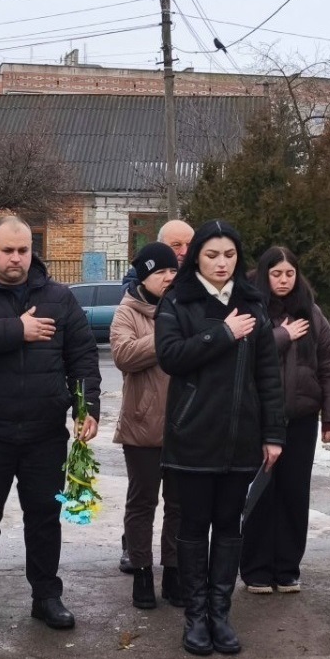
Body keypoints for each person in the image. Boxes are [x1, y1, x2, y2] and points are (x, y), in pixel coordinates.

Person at [0, 215, 99, 639]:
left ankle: (46, 596)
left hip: (45, 432)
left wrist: (87, 408)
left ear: (32, 250)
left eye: (23, 250)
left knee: (45, 517)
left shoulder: (59, 297)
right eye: (7, 250)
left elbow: (82, 357)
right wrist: (18, 330)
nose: (16, 258)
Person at [156, 220, 284, 656]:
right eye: (212, 255)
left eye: (229, 255)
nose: (221, 263)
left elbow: (268, 375)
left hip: (241, 439)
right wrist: (222, 333)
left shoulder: (253, 303)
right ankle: (195, 617)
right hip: (192, 437)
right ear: (196, 257)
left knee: (229, 527)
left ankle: (220, 614)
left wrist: (273, 434)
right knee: (193, 527)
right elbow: (170, 356)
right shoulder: (178, 300)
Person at [243, 246, 330, 595]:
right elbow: (244, 354)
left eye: (290, 274)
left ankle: (287, 568)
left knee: (294, 493)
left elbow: (329, 365)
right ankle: (255, 569)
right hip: (259, 419)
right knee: (261, 494)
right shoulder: (251, 309)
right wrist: (282, 336)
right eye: (276, 274)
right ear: (264, 275)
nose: (284, 280)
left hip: (302, 419)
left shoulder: (311, 312)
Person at [111, 241, 183, 609]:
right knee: (142, 503)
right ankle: (141, 573)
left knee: (179, 504)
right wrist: (167, 337)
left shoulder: (185, 307)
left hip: (183, 424)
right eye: (161, 272)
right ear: (144, 277)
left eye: (173, 271)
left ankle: (173, 572)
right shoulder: (127, 311)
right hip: (141, 426)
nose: (169, 277)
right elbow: (123, 355)